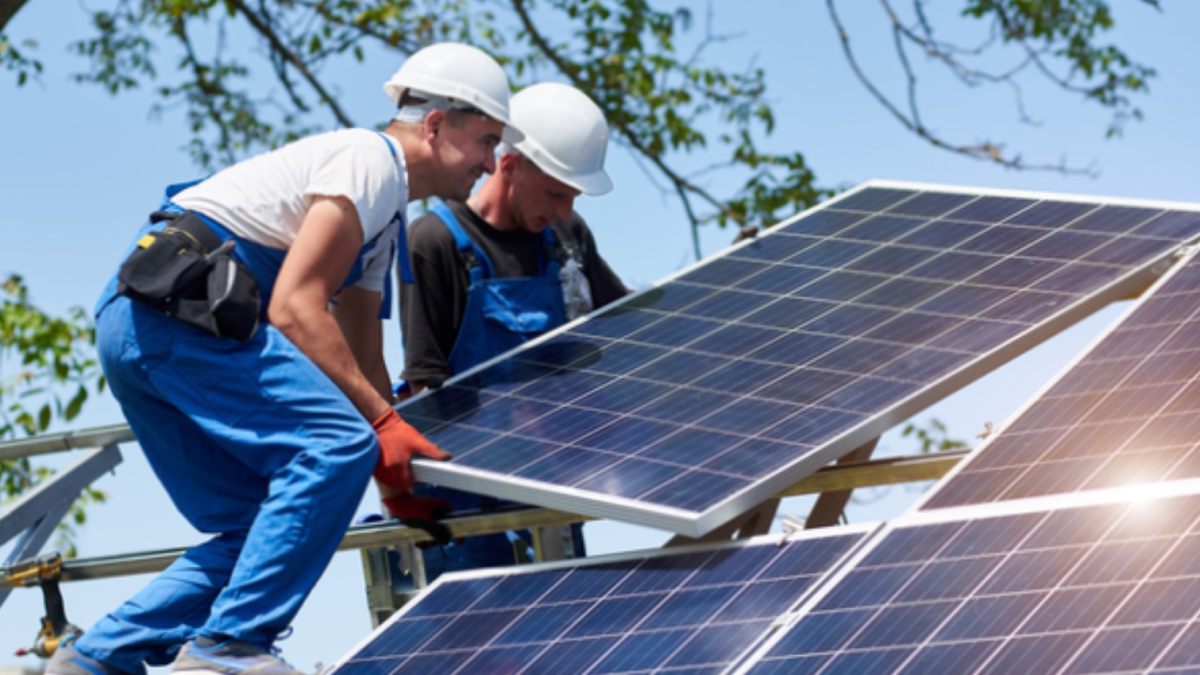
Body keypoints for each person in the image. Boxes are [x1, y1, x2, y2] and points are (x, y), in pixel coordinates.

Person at [47, 42, 519, 675]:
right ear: (434, 125)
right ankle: (228, 649)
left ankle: (95, 660)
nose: (491, 164)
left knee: (259, 529)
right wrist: (376, 431)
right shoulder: (368, 163)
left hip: (138, 322)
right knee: (332, 446)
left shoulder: (384, 220)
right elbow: (296, 310)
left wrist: (390, 471)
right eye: (486, 140)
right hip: (185, 318)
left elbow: (360, 354)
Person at [398, 82, 628, 582]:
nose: (565, 211)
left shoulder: (568, 238)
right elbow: (423, 388)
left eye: (573, 197)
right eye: (555, 193)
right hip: (464, 505)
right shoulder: (434, 242)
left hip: (550, 483)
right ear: (509, 165)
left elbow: (631, 331)